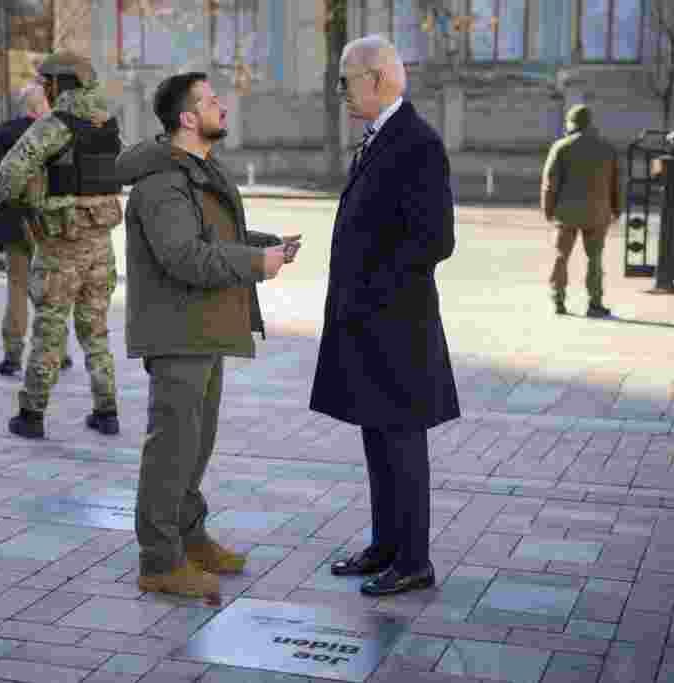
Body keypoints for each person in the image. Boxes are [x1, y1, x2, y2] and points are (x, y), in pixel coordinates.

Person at [116, 72, 300, 599]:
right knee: (171, 449)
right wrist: (255, 264)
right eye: (211, 100)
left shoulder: (198, 169)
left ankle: (190, 538)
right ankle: (159, 559)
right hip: (178, 332)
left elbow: (213, 237)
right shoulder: (163, 181)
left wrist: (265, 246)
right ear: (187, 118)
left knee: (195, 446)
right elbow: (184, 256)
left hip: (206, 325)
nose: (223, 105)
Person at [309, 35, 459, 597]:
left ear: (377, 79)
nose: (341, 90)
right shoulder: (380, 137)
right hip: (371, 320)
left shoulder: (416, 142)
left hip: (396, 322)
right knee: (377, 434)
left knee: (401, 440)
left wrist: (373, 287)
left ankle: (414, 558)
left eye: (347, 80)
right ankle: (386, 545)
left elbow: (435, 239)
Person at [0, 51, 122, 439]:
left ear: (58, 85)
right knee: (96, 331)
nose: (43, 88)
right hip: (100, 244)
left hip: (60, 246)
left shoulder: (55, 125)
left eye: (46, 82)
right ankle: (107, 411)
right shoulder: (106, 123)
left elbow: (8, 176)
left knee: (50, 331)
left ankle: (31, 415)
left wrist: (31, 197)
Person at [0, 83, 72, 376]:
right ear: (39, 107)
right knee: (52, 290)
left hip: (12, 222)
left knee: (17, 287)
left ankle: (12, 355)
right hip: (48, 224)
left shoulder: (4, 133)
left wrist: (2, 214)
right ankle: (58, 351)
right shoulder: (55, 135)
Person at [541, 104, 622, 317]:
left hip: (566, 213)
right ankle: (595, 303)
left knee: (561, 256)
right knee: (594, 259)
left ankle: (558, 300)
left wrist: (548, 210)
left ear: (571, 124)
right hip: (598, 213)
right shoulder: (607, 148)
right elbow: (616, 183)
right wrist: (617, 209)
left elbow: (550, 183)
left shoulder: (561, 147)